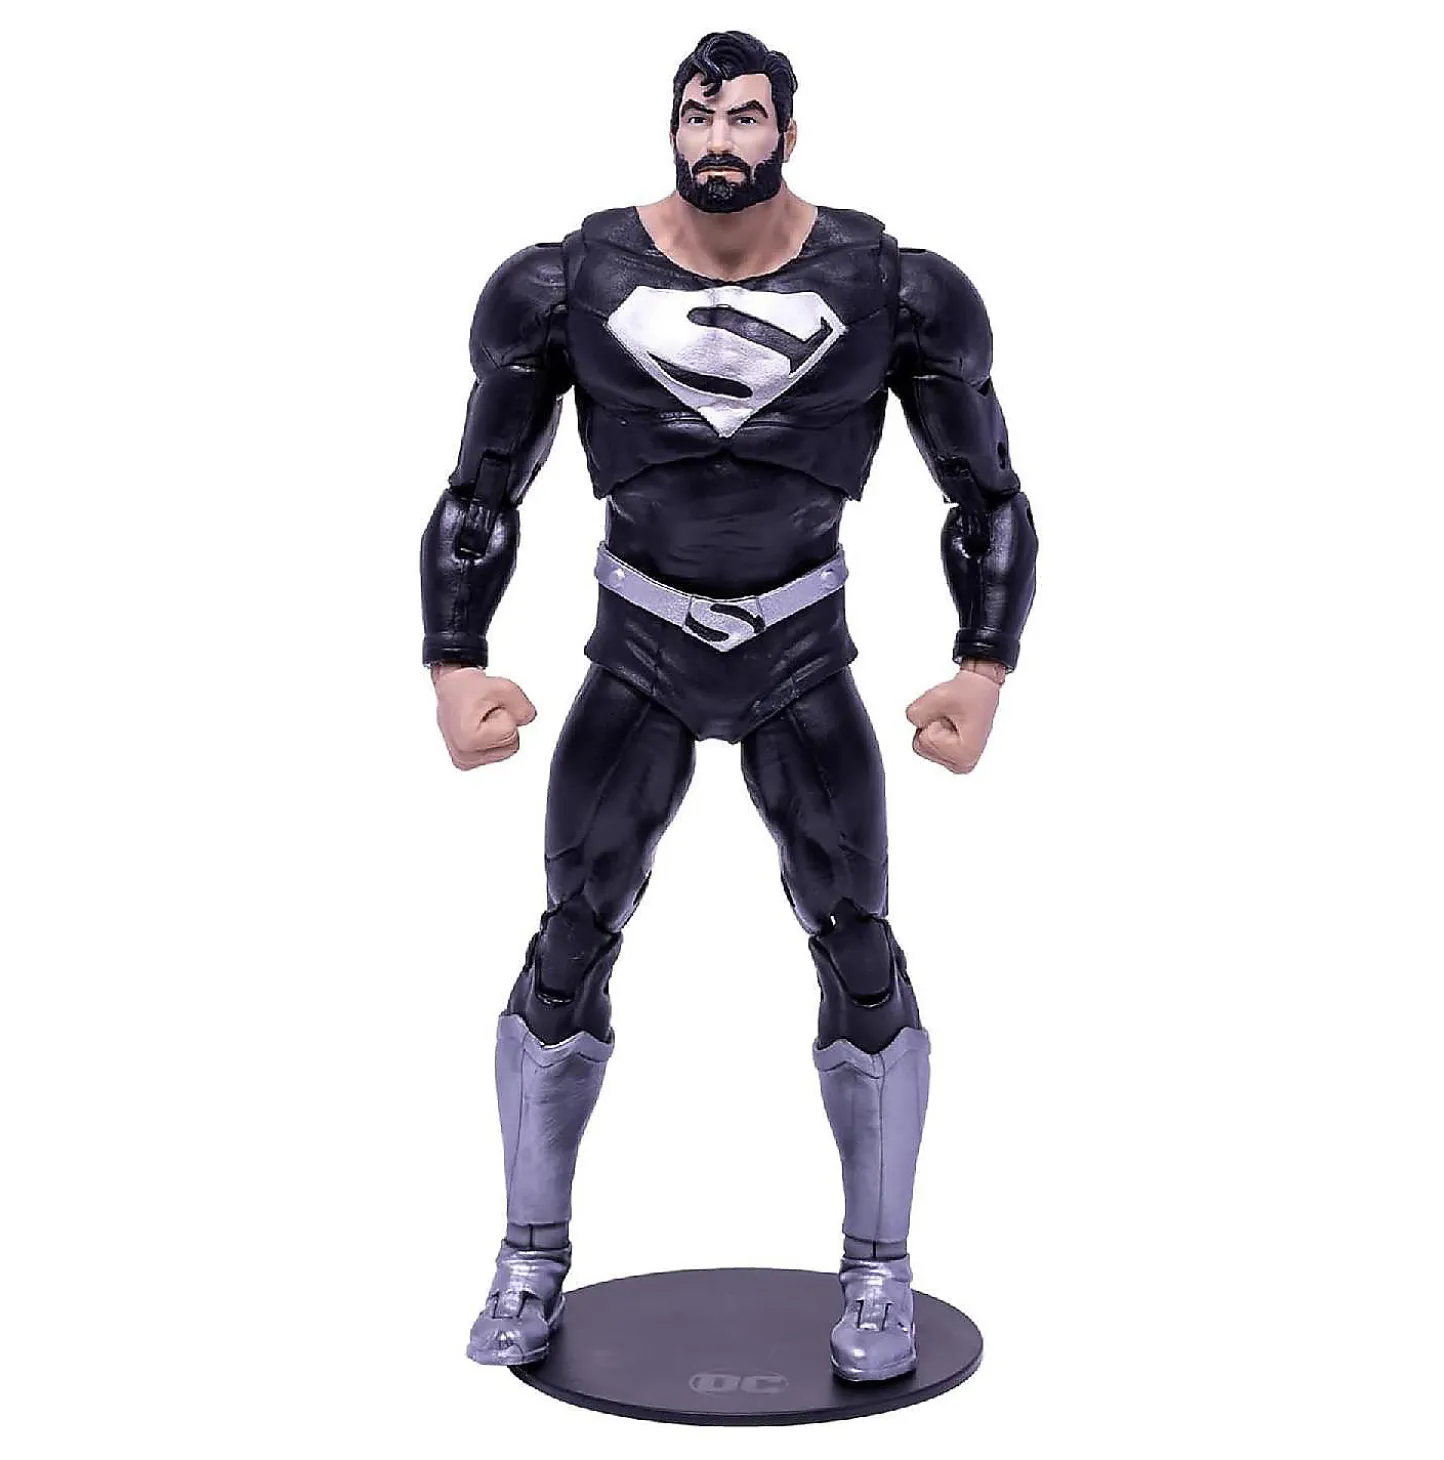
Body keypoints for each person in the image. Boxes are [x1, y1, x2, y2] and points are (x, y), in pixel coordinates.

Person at [421, 29, 1036, 1383]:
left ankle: (880, 1271)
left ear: (787, 135)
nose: (718, 139)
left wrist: (982, 666)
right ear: (671, 125)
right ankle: (529, 1255)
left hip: (801, 655)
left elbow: (987, 494)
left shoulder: (893, 289)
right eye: (698, 114)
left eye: (744, 117)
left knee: (859, 947)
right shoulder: (566, 284)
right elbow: (479, 489)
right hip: (636, 653)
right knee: (568, 943)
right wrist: (455, 660)